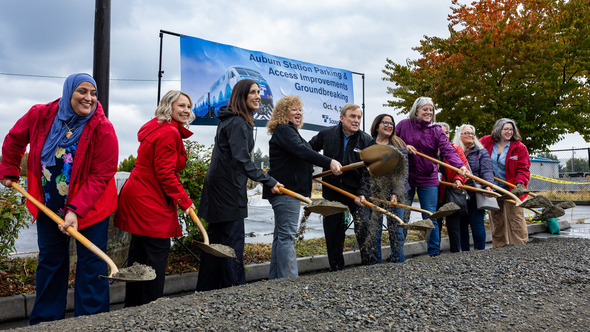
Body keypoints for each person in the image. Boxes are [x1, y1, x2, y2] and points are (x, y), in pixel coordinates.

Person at [0, 73, 118, 324]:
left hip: (90, 208)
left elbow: (102, 174)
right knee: (50, 263)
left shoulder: (102, 127)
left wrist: (75, 210)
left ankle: (91, 323)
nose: (89, 98)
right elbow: (14, 139)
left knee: (92, 267)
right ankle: (45, 323)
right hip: (48, 205)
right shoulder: (40, 115)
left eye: (93, 93)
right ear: (69, 92)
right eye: (82, 91)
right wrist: (9, 169)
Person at [196, 79, 283, 291]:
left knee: (215, 244)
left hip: (219, 189)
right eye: (252, 92)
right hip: (227, 192)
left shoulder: (229, 120)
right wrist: (269, 181)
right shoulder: (238, 123)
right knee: (232, 243)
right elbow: (242, 160)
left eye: (258, 92)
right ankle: (236, 291)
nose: (257, 96)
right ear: (241, 96)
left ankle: (207, 290)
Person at [114, 90, 196, 306]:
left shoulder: (156, 127)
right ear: (168, 107)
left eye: (188, 106)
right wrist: (185, 201)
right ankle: (151, 309)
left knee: (139, 255)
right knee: (156, 255)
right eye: (181, 106)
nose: (186, 110)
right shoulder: (169, 132)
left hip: (138, 193)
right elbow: (165, 173)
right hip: (148, 198)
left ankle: (132, 307)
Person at [263, 96, 342, 279]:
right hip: (286, 191)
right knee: (286, 236)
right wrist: (329, 161)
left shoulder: (289, 132)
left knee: (281, 236)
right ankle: (289, 280)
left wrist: (310, 172)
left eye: (300, 109)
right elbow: (303, 151)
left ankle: (276, 279)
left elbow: (301, 154)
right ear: (283, 113)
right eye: (294, 109)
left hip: (287, 191)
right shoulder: (284, 130)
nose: (299, 113)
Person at [395, 97, 468, 256]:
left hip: (428, 177)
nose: (429, 112)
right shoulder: (403, 125)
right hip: (405, 176)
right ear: (416, 111)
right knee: (402, 216)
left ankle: (434, 253)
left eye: (431, 110)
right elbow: (392, 143)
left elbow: (448, 150)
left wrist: (460, 166)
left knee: (430, 215)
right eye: (425, 109)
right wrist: (403, 147)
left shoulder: (436, 130)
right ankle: (398, 255)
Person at [309, 104, 372, 271]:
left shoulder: (366, 140)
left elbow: (369, 171)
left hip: (356, 193)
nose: (356, 120)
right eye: (352, 116)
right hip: (332, 190)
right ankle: (336, 268)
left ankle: (369, 266)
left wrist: (363, 193)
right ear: (342, 117)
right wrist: (311, 169)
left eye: (359, 117)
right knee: (333, 231)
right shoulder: (326, 135)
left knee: (364, 225)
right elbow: (307, 151)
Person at [356, 114, 410, 264]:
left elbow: (402, 173)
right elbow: (365, 173)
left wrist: (395, 194)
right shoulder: (368, 145)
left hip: (396, 192)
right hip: (374, 193)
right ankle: (376, 266)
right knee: (374, 230)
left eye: (391, 123)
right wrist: (362, 193)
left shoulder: (399, 146)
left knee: (396, 231)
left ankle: (398, 263)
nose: (389, 125)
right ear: (377, 125)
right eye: (385, 122)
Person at [480, 118, 531, 248]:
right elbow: (474, 152)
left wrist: (520, 184)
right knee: (496, 218)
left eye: (511, 129)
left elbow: (523, 168)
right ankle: (499, 247)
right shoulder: (487, 141)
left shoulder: (519, 147)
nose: (509, 132)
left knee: (516, 217)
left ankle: (519, 245)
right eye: (506, 129)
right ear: (498, 129)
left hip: (512, 188)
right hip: (493, 187)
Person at [453, 124, 495, 251]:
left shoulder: (481, 151)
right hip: (458, 191)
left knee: (477, 224)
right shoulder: (453, 150)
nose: (470, 135)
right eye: (466, 133)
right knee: (461, 225)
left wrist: (488, 186)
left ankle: (480, 252)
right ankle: (465, 252)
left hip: (476, 192)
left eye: (472, 133)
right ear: (459, 135)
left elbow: (487, 170)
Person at [435, 122, 468, 253]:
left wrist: (459, 180)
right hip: (434, 192)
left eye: (446, 132)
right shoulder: (429, 150)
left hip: (451, 191)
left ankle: (455, 252)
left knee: (453, 225)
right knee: (435, 224)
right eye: (440, 132)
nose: (444, 135)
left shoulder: (455, 149)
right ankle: (434, 253)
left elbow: (463, 167)